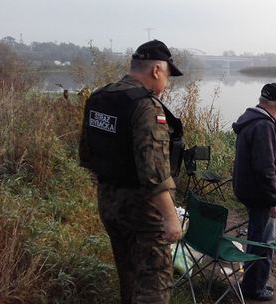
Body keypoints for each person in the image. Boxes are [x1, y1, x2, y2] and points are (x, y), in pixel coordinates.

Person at [79, 40, 184, 304]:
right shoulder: (147, 107)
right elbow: (154, 172)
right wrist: (171, 219)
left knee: (127, 272)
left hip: (108, 203)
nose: (167, 84)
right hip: (143, 213)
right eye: (168, 76)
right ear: (156, 71)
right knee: (153, 283)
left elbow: (87, 154)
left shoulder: (100, 97)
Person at [232, 83, 276, 301]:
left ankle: (250, 282)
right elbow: (266, 169)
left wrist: (272, 123)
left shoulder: (253, 119)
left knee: (257, 237)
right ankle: (254, 289)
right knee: (263, 244)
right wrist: (274, 200)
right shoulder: (264, 126)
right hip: (260, 196)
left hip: (247, 190)